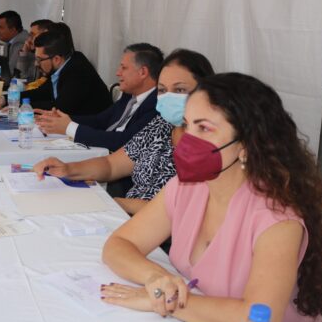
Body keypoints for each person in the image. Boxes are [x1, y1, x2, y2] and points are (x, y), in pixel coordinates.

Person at [100, 72, 322, 322]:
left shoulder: (277, 220)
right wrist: (157, 280)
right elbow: (119, 244)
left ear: (246, 144)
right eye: (186, 125)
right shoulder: (187, 187)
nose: (187, 139)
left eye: (204, 128)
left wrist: (167, 301)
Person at [33, 49, 214, 214]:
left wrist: (119, 204)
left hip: (157, 229)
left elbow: (187, 210)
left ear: (205, 91)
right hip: (125, 215)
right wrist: (67, 169)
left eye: (180, 89)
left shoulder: (213, 143)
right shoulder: (161, 125)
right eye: (162, 90)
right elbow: (111, 165)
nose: (169, 97)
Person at [35, 43, 163, 152]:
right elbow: (100, 120)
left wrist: (69, 127)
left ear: (142, 72)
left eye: (124, 68)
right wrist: (63, 119)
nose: (118, 73)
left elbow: (124, 142)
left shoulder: (158, 105)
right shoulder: (129, 95)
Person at [0, 29, 111, 115]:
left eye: (40, 60)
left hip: (93, 133)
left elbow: (60, 107)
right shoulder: (62, 66)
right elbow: (41, 92)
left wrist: (21, 106)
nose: (36, 64)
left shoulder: (78, 71)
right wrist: (6, 99)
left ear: (57, 59)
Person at [15, 19, 54, 83]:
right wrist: (24, 53)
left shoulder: (48, 56)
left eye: (32, 35)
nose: (29, 39)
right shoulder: (33, 53)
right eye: (29, 35)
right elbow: (21, 77)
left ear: (44, 35)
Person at [0, 10, 29, 82]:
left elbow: (10, 72)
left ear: (13, 30)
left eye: (1, 27)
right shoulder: (9, 42)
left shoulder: (22, 43)